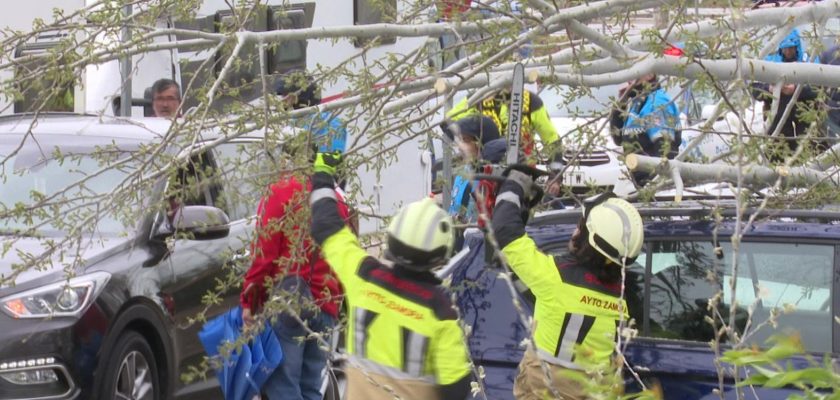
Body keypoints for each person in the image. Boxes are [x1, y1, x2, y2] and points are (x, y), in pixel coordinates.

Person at [308, 152, 471, 400]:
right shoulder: (441, 313)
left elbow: (325, 225)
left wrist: (322, 174)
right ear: (440, 257)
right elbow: (457, 390)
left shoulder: (363, 276)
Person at [491, 168, 643, 399]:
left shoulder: (554, 278)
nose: (575, 230)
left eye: (580, 226)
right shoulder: (622, 299)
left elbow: (505, 232)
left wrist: (513, 186)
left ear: (587, 238)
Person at [239, 133, 350, 399]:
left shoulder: (280, 193)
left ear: (289, 159)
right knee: (311, 388)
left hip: (288, 302)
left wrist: (250, 303)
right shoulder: (336, 200)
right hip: (325, 301)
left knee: (283, 387)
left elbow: (265, 256)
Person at [444, 88, 561, 165]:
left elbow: (552, 139)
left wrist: (555, 176)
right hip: (485, 170)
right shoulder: (479, 98)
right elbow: (448, 123)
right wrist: (469, 145)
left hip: (522, 172)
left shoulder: (531, 102)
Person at [752, 28, 818, 156]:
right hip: (776, 125)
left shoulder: (809, 61)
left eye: (791, 48)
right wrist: (770, 90)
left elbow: (819, 90)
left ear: (797, 46)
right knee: (775, 159)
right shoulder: (770, 62)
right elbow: (754, 88)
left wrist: (796, 90)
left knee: (805, 159)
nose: (788, 52)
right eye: (785, 48)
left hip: (803, 124)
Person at [609, 73, 680, 185]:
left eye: (634, 70)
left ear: (650, 75)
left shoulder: (657, 103)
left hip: (654, 186)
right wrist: (621, 103)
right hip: (638, 183)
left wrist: (652, 186)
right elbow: (618, 138)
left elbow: (665, 152)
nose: (627, 76)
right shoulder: (638, 102)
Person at [275, 71, 347, 154]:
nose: (283, 100)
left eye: (286, 96)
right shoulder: (292, 122)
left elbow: (332, 159)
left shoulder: (331, 123)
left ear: (300, 96)